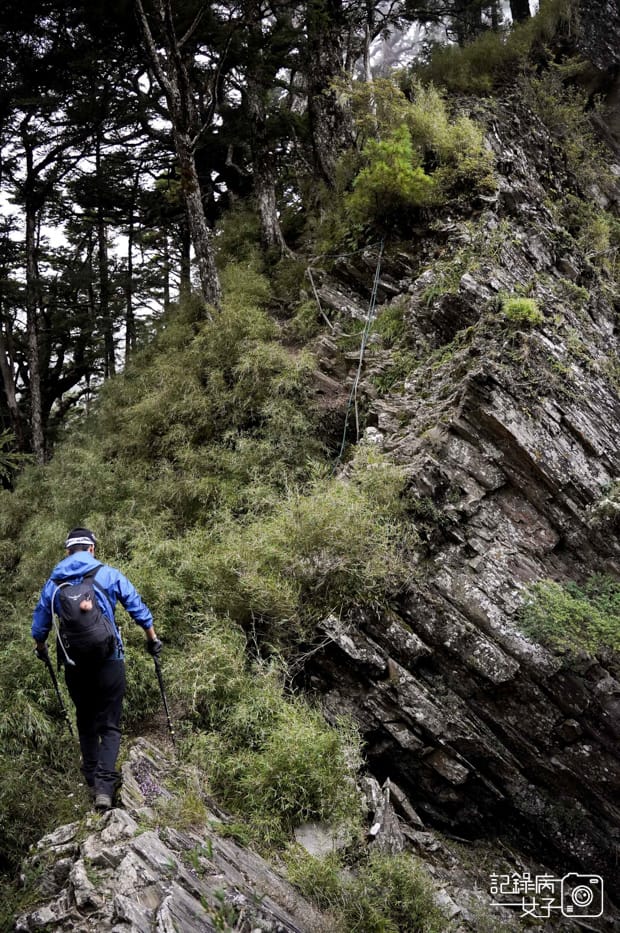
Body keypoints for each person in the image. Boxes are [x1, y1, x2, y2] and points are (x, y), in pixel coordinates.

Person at [32, 527, 161, 811]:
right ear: (92, 549)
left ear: (68, 551)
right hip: (109, 660)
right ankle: (104, 788)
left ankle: (92, 782)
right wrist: (152, 639)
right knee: (110, 725)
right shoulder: (108, 574)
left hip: (74, 665)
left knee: (86, 722)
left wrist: (41, 649)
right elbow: (136, 606)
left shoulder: (53, 584)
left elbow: (39, 627)